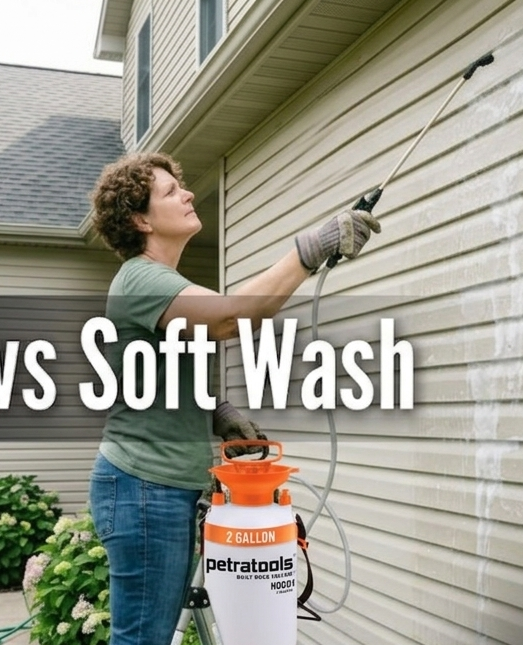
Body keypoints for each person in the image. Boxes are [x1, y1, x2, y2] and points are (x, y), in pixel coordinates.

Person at [85, 152, 379, 645]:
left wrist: (217, 412)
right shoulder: (141, 277)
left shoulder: (163, 283)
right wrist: (311, 249)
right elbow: (228, 318)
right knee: (142, 640)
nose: (188, 193)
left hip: (159, 488)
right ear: (141, 219)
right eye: (170, 192)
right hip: (142, 490)